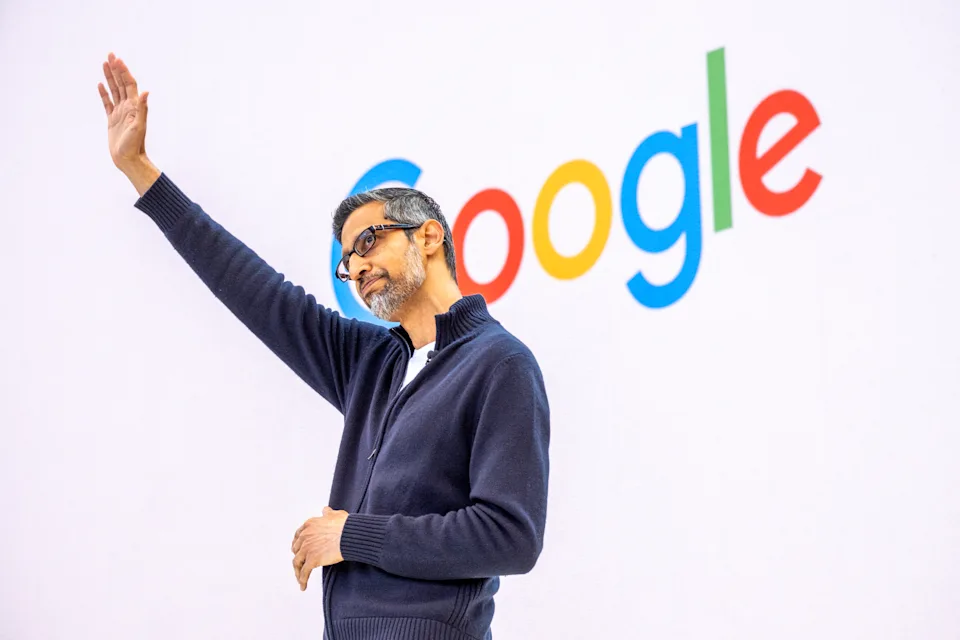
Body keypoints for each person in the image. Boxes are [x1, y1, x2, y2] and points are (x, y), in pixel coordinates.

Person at [97, 52, 550, 640]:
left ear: (430, 235)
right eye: (345, 262)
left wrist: (350, 535)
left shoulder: (500, 364)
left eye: (367, 242)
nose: (355, 266)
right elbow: (254, 289)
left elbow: (509, 536)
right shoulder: (371, 365)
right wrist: (141, 172)